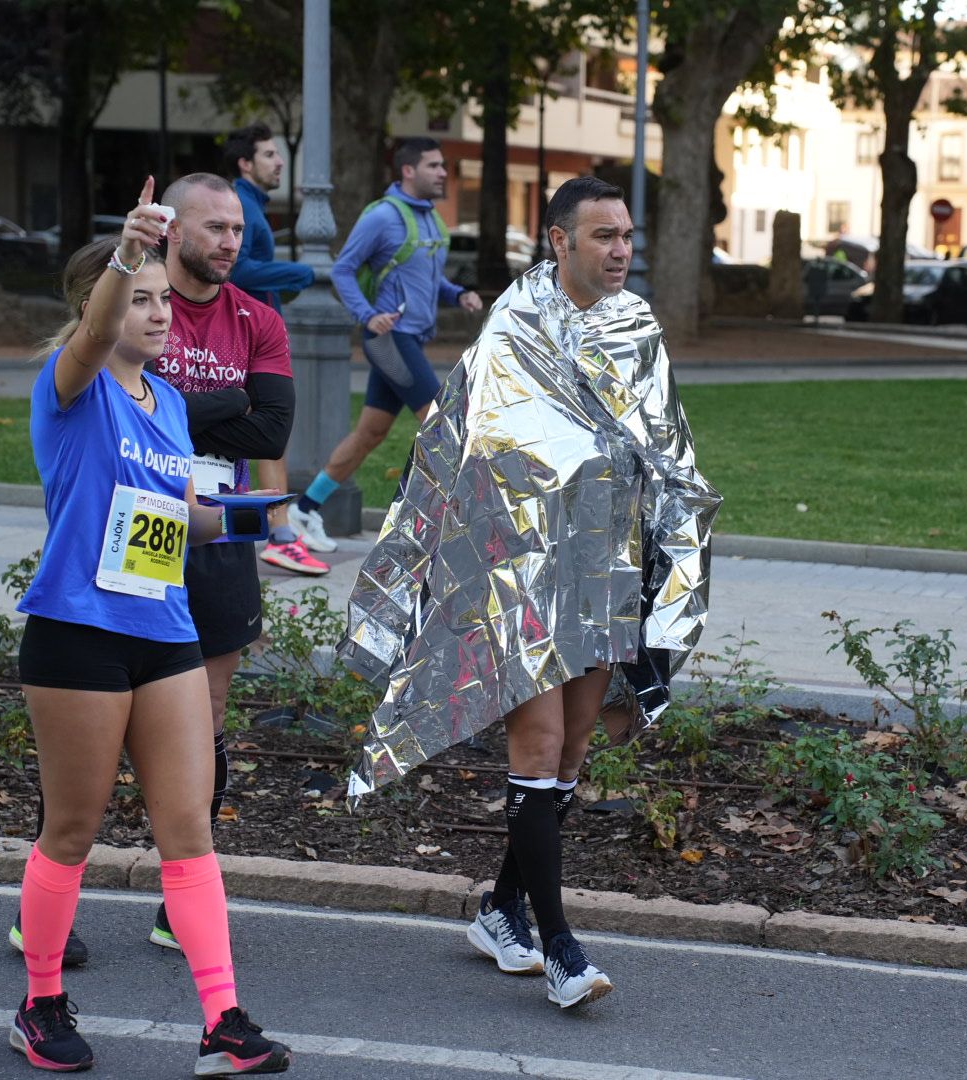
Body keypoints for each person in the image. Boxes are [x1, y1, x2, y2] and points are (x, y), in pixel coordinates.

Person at [339, 176, 721, 1010]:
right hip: (517, 572)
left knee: (571, 757)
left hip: (603, 565)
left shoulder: (637, 324)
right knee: (538, 750)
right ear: (558, 241)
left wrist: (672, 538)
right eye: (603, 237)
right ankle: (561, 948)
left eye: (627, 237)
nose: (621, 251)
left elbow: (664, 443)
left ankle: (501, 912)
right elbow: (468, 445)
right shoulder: (515, 324)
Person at [9, 177, 290, 1074]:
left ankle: (224, 1021)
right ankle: (41, 1003)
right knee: (74, 831)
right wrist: (127, 252)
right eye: (141, 299)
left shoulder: (165, 404)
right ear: (103, 305)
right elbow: (92, 338)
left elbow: (180, 513)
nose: (161, 313)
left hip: (164, 628)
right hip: (77, 631)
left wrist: (260, 515)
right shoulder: (70, 385)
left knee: (189, 829)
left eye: (164, 298)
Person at [283, 136, 484, 549]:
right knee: (442, 427)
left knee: (370, 433)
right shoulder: (382, 217)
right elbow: (342, 270)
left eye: (443, 165)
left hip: (411, 339)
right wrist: (367, 315)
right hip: (389, 341)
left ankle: (304, 509)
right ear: (408, 170)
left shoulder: (432, 219)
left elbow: (427, 280)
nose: (443, 172)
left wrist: (456, 293)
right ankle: (453, 526)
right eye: (434, 166)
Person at [220, 122, 328, 574]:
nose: (279, 161)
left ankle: (270, 528)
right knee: (271, 432)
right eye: (268, 154)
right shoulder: (242, 203)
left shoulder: (252, 205)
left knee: (266, 433)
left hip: (256, 331)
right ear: (246, 164)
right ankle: (280, 534)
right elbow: (239, 270)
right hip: (250, 335)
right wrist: (301, 274)